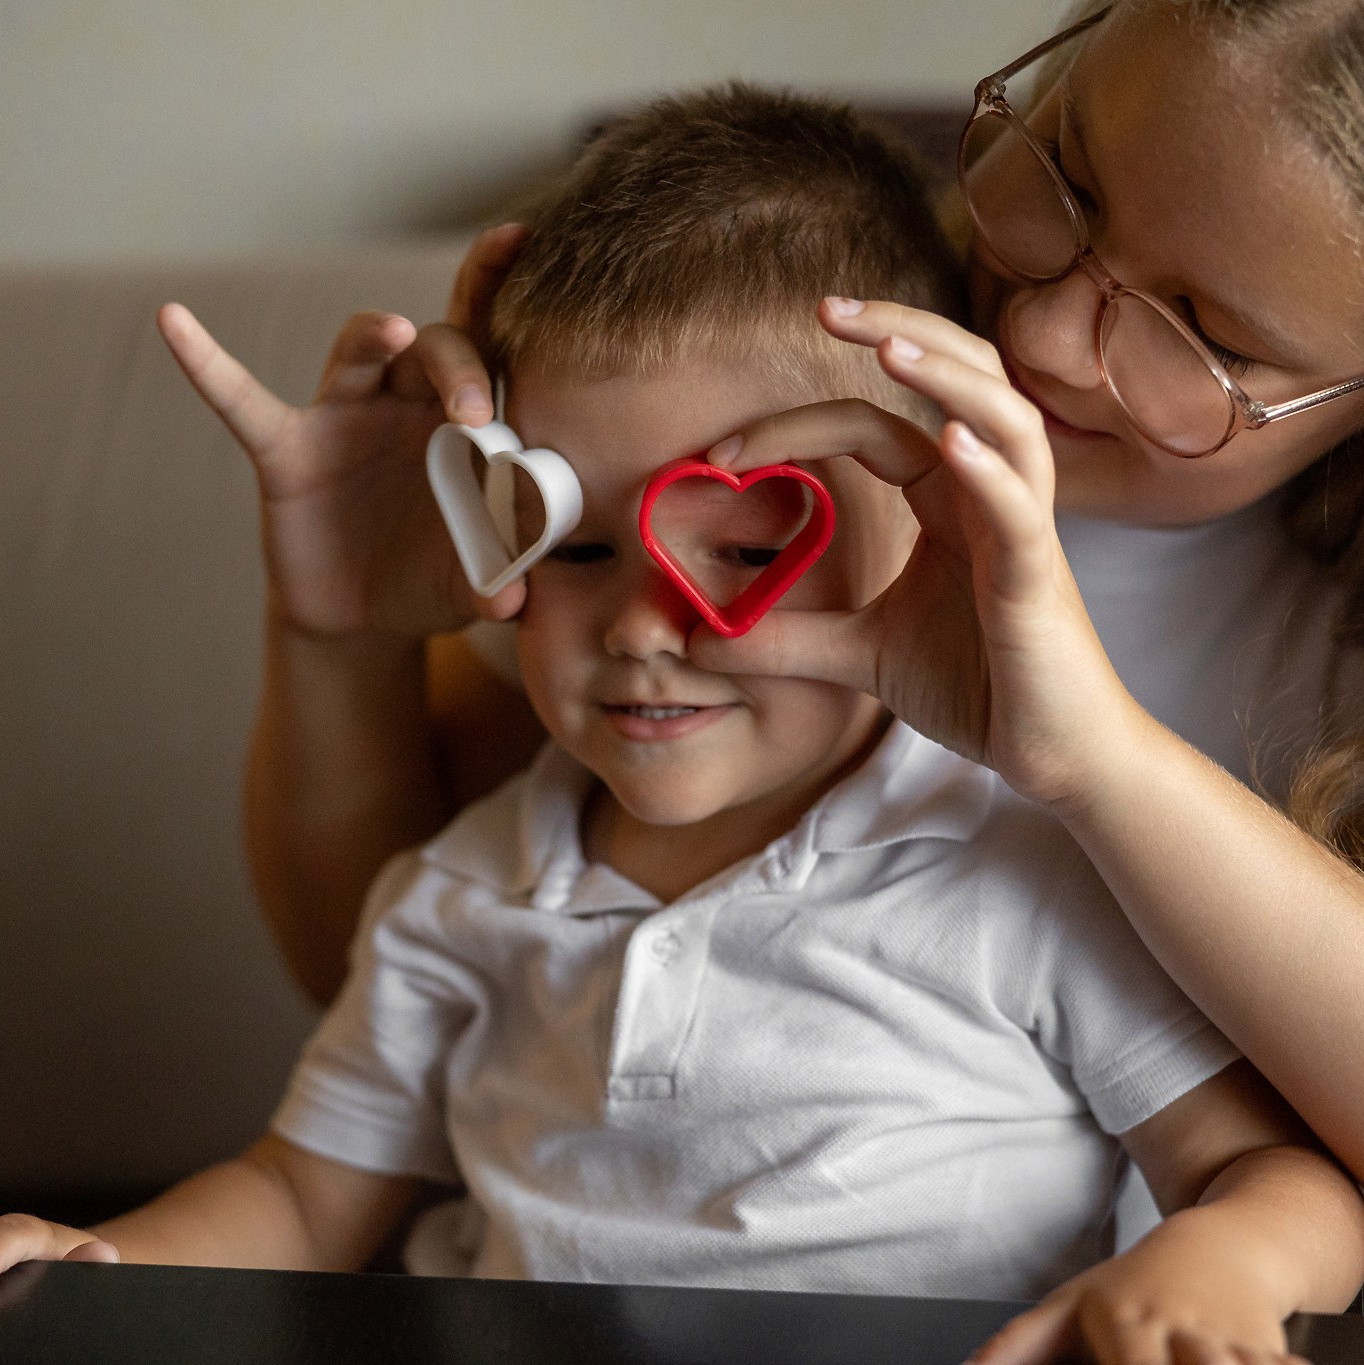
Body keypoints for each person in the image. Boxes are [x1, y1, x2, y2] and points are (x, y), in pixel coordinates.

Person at [8, 89, 1364, 1365]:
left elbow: (1279, 1175)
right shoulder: (459, 888)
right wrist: (95, 1257)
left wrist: (1227, 1261)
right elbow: (303, 1197)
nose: (645, 626)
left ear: (922, 521)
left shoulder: (1023, 869)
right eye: (581, 548)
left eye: (740, 546)